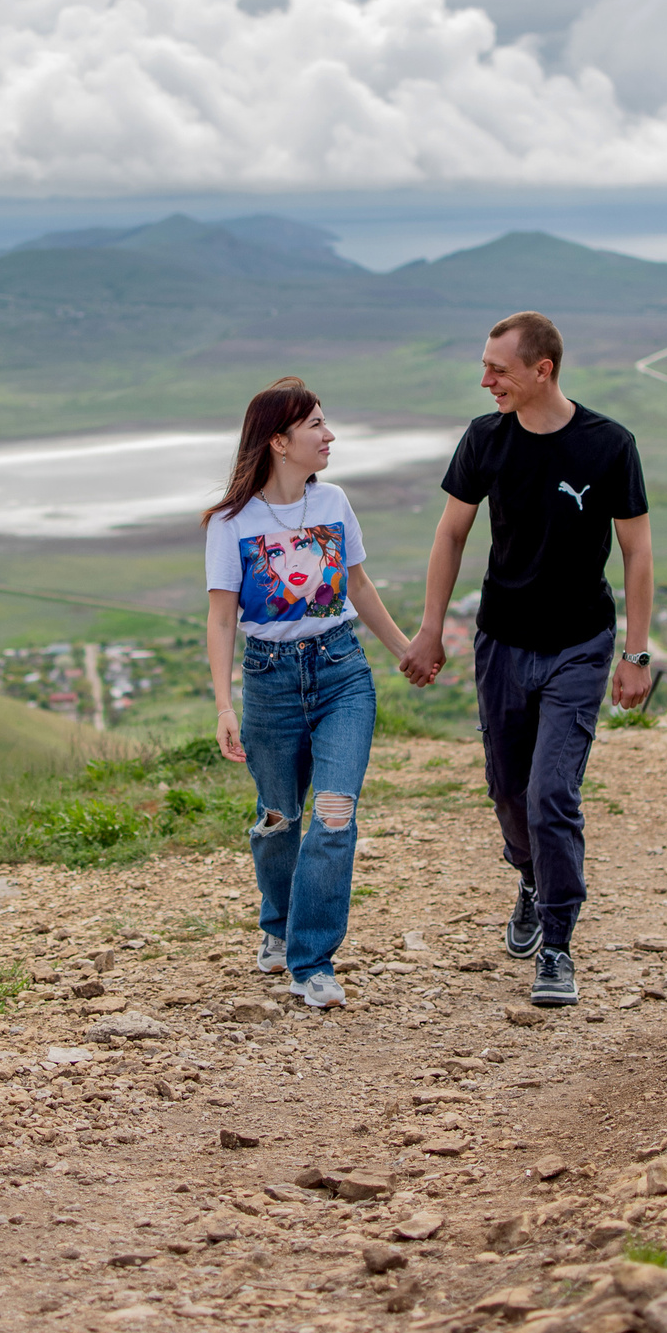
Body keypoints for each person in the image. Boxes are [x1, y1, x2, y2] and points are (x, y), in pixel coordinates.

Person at [398, 312, 653, 1008]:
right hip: (502, 643)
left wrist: (635, 653)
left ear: (543, 370)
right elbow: (451, 534)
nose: (486, 380)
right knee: (509, 791)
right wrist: (430, 629)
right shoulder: (485, 438)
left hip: (580, 645)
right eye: (484, 366)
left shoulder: (609, 445)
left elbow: (636, 552)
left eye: (498, 369)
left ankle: (558, 945)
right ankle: (532, 877)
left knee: (551, 795)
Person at [205, 378, 417, 1010]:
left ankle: (312, 961)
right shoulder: (231, 523)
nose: (330, 435)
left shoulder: (334, 503)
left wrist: (404, 649)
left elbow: (358, 585)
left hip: (340, 670)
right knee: (279, 820)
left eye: (326, 422)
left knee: (334, 812)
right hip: (269, 681)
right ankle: (278, 923)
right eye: (316, 425)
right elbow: (221, 619)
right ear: (279, 440)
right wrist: (224, 705)